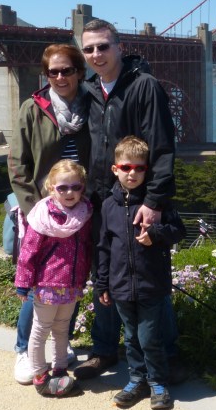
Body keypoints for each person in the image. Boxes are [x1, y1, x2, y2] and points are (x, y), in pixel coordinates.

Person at [75, 19, 178, 381]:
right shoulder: (86, 90)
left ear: (119, 47)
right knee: (105, 273)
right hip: (101, 201)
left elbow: (162, 147)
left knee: (149, 275)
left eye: (103, 46)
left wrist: (154, 201)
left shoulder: (144, 86)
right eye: (88, 49)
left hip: (140, 200)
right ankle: (104, 350)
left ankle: (165, 357)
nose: (96, 54)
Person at [7, 43, 90, 384]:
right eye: (52, 72)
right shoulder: (33, 108)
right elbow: (16, 163)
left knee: (70, 279)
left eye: (66, 70)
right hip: (43, 210)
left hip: (80, 207)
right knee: (39, 284)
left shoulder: (92, 104)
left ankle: (61, 344)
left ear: (79, 72)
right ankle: (25, 350)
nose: (59, 77)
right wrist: (33, 211)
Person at [95, 136, 186, 410]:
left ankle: (158, 382)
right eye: (126, 167)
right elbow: (103, 247)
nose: (132, 173)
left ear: (147, 170)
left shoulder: (158, 205)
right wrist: (102, 284)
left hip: (151, 285)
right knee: (131, 338)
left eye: (139, 168)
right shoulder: (108, 206)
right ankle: (136, 380)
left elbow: (178, 232)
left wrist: (156, 233)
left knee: (149, 338)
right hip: (121, 286)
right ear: (115, 169)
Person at [14, 160, 92, 397]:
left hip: (72, 283)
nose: (70, 193)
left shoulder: (84, 212)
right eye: (63, 188)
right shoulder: (42, 215)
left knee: (62, 329)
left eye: (76, 187)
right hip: (47, 283)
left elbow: (87, 247)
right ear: (51, 187)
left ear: (83, 188)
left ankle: (59, 370)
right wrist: (23, 282)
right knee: (41, 329)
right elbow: (28, 250)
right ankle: (40, 374)